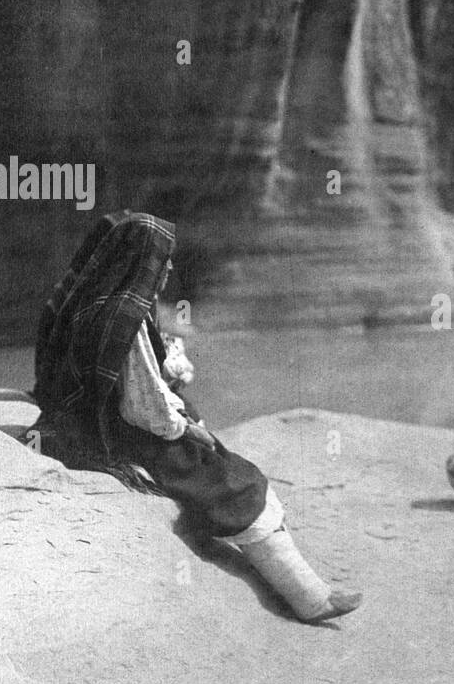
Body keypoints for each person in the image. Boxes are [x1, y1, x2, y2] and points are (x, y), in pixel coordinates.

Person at [29, 210, 361, 623]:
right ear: (140, 260)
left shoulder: (96, 303)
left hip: (88, 421)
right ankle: (310, 599)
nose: (167, 267)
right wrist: (186, 429)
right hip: (114, 434)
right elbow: (143, 407)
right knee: (236, 482)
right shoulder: (125, 321)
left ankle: (310, 591)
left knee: (216, 457)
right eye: (161, 258)